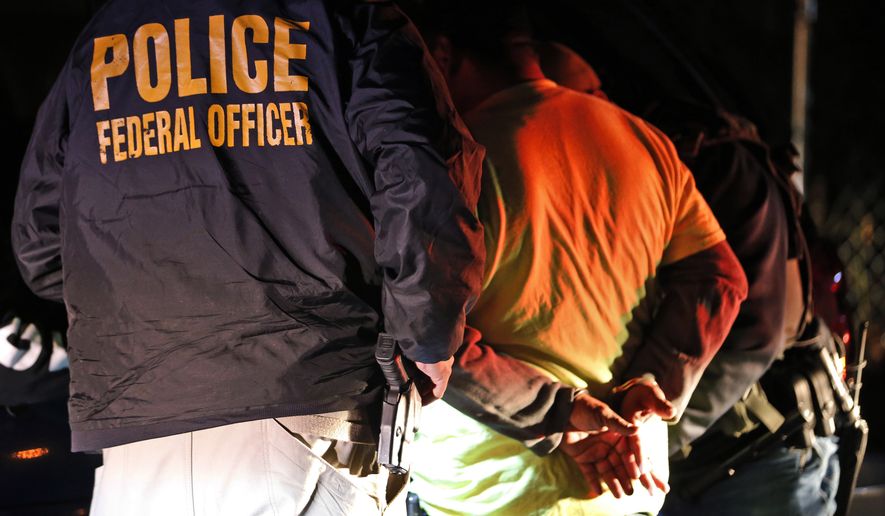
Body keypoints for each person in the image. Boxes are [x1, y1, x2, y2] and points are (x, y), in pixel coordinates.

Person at [11, 0, 485, 514]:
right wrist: (429, 335)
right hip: (305, 406)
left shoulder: (102, 34)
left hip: (135, 443)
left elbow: (41, 247)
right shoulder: (348, 14)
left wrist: (143, 309)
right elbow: (419, 170)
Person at [405, 2, 748, 514]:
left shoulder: (451, 158)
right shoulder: (647, 144)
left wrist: (559, 414)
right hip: (622, 485)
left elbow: (429, 334)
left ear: (440, 52)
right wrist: (647, 386)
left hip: (485, 489)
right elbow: (721, 278)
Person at [536, 39, 848, 516]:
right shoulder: (611, 174)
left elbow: (756, 334)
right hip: (690, 459)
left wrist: (630, 432)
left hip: (760, 461)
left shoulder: (715, 166)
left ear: (595, 99)